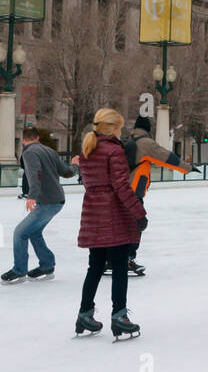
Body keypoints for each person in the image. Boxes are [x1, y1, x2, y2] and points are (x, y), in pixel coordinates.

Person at [73, 109, 147, 340]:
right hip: (113, 215)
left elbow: (90, 183)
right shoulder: (115, 150)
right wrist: (139, 213)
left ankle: (85, 313)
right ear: (112, 127)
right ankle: (119, 316)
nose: (122, 131)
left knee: (94, 267)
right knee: (119, 268)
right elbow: (121, 187)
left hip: (93, 213)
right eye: (120, 127)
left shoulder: (88, 149)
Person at [1, 127, 75, 285]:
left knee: (20, 233)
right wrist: (75, 166)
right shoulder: (49, 151)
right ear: (38, 138)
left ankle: (19, 270)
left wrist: (32, 196)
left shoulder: (28, 153)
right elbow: (66, 172)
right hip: (57, 200)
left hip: (48, 201)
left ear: (23, 140)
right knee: (34, 232)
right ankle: (47, 265)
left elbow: (36, 175)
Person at [120, 114, 185, 276]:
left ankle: (112, 258)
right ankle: (126, 259)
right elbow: (166, 157)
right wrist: (187, 168)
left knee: (123, 225)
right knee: (136, 225)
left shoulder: (129, 141)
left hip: (122, 191)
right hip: (133, 191)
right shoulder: (145, 143)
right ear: (148, 129)